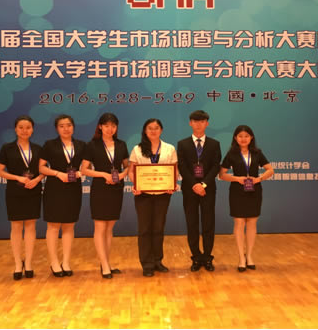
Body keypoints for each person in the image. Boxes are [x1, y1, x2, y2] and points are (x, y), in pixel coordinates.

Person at [0, 115, 44, 280]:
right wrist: (17, 178)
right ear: (15, 129)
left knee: (31, 226)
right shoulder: (7, 148)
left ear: (33, 130)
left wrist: (37, 180)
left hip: (33, 190)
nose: (24, 131)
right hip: (14, 191)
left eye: (28, 127)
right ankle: (17, 263)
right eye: (21, 127)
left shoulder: (38, 149)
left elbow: (44, 170)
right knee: (16, 227)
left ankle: (28, 263)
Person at [81, 113, 129, 279]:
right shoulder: (92, 145)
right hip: (100, 189)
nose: (110, 129)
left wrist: (121, 175)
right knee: (100, 227)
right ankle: (105, 265)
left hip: (116, 188)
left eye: (113, 126)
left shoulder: (121, 144)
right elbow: (84, 169)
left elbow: (128, 166)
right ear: (100, 126)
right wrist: (103, 174)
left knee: (109, 227)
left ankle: (106, 262)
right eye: (107, 125)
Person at [219, 125, 274, 272]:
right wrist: (237, 178)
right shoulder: (231, 154)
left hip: (254, 191)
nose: (243, 139)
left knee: (252, 222)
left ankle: (249, 256)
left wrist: (259, 179)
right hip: (237, 191)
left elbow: (270, 170)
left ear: (251, 138)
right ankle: (241, 258)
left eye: (246, 136)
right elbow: (222, 174)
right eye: (240, 136)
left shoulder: (257, 153)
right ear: (235, 138)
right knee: (239, 222)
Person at [128, 119, 178, 277]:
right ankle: (146, 264)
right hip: (143, 195)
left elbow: (174, 170)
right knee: (144, 229)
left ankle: (157, 261)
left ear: (161, 130)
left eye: (156, 128)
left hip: (163, 194)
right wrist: (136, 184)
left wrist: (172, 184)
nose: (153, 131)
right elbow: (131, 171)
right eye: (150, 128)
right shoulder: (137, 149)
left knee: (158, 228)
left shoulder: (170, 148)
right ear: (145, 130)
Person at [38, 115, 85, 278]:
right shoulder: (49, 145)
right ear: (57, 128)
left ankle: (66, 262)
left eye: (69, 125)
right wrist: (58, 174)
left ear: (73, 127)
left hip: (73, 188)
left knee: (69, 226)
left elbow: (88, 166)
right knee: (53, 226)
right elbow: (41, 168)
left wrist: (80, 173)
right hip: (54, 188)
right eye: (62, 126)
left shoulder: (81, 145)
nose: (66, 128)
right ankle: (54, 262)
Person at [177, 110, 222, 271]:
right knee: (192, 223)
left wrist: (203, 185)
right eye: (195, 121)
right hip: (189, 189)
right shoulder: (182, 144)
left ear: (207, 124)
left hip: (208, 189)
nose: (198, 124)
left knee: (208, 223)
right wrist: (194, 185)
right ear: (190, 123)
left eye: (202, 121)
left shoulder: (214, 144)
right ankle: (196, 257)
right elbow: (182, 166)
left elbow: (216, 166)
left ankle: (208, 257)